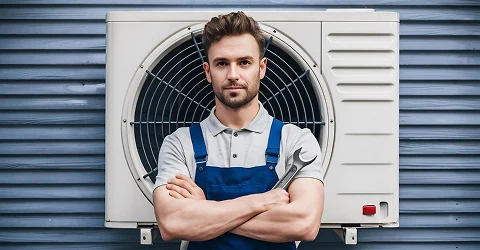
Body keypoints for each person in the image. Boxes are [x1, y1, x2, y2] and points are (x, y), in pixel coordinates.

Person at [152, 11, 324, 250]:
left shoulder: (297, 141)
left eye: (244, 62)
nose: (233, 75)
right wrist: (260, 203)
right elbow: (172, 223)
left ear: (261, 68)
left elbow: (304, 224)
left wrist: (206, 208)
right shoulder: (179, 144)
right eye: (222, 63)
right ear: (207, 71)